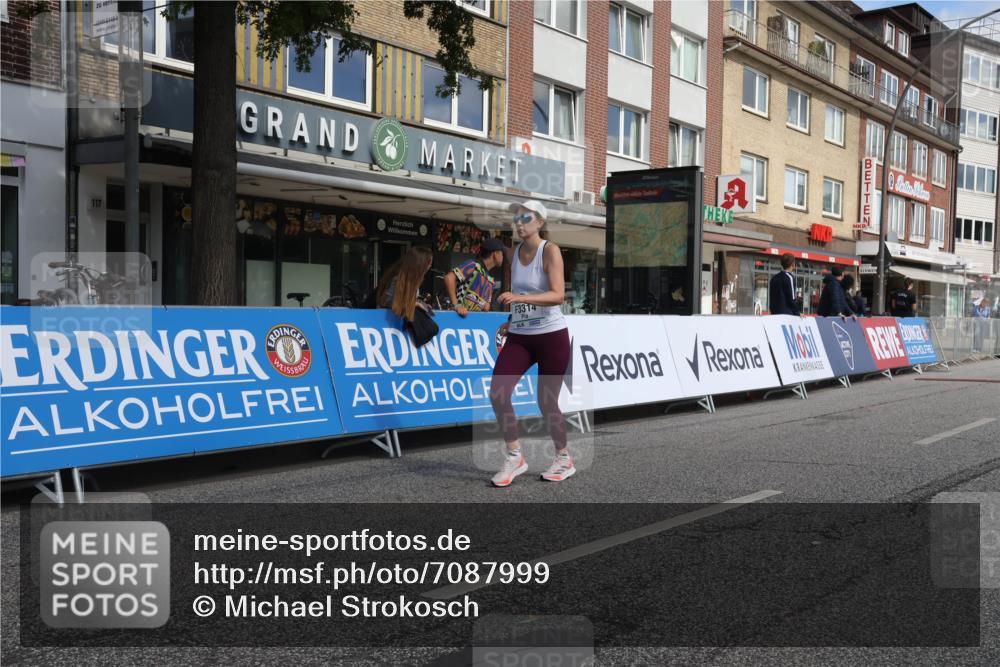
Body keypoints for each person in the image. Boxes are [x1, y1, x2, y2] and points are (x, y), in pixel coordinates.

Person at [490, 200, 573, 487]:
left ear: (539, 222)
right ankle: (515, 457)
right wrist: (512, 319)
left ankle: (563, 458)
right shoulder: (513, 254)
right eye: (516, 217)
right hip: (521, 336)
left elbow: (558, 295)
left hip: (552, 336)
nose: (519, 222)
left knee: (547, 402)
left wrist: (520, 299)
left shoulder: (550, 250)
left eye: (525, 217)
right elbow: (519, 295)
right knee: (498, 392)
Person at [443, 237, 505, 316]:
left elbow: (486, 307)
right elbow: (449, 278)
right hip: (457, 319)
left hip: (471, 323)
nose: (503, 256)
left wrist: (486, 305)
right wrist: (456, 305)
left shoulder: (490, 280)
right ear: (495, 254)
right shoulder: (473, 266)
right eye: (502, 253)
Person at [376, 245, 433, 321]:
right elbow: (393, 304)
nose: (430, 266)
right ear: (421, 264)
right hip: (386, 322)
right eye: (429, 263)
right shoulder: (396, 280)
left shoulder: (413, 280)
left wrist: (422, 304)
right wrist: (415, 305)